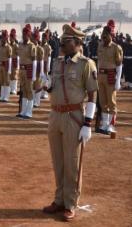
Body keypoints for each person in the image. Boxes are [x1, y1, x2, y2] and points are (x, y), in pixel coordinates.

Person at [43, 24, 97, 222]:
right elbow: (55, 86)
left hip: (73, 117)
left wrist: (88, 124)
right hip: (55, 115)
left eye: (66, 42)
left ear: (77, 43)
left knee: (72, 163)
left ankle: (70, 203)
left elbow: (92, 95)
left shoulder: (86, 64)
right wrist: (47, 87)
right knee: (58, 161)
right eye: (63, 41)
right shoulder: (58, 63)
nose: (62, 45)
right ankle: (59, 199)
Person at [96, 20, 123, 135]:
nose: (103, 38)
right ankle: (105, 124)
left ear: (110, 35)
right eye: (102, 35)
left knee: (111, 102)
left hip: (111, 76)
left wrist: (118, 81)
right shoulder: (100, 46)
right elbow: (98, 62)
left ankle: (111, 125)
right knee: (102, 102)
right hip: (100, 76)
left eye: (105, 36)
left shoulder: (116, 48)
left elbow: (119, 65)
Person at [16, 25, 37, 119]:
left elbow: (34, 61)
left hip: (29, 69)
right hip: (22, 70)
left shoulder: (32, 46)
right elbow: (18, 58)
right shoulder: (20, 45)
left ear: (29, 35)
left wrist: (33, 75)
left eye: (25, 35)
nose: (24, 36)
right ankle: (23, 111)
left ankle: (29, 111)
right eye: (23, 34)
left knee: (29, 91)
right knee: (23, 90)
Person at [0, 30, 12, 102]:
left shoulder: (8, 47)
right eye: (2, 37)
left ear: (6, 38)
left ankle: (6, 96)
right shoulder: (0, 45)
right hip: (0, 65)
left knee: (6, 81)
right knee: (2, 81)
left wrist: (9, 69)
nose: (3, 39)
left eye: (4, 37)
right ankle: (2, 96)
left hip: (6, 65)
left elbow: (9, 58)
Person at [32, 29, 44, 108]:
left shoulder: (40, 49)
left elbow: (42, 61)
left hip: (38, 69)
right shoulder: (31, 47)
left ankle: (37, 101)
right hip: (32, 68)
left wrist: (42, 71)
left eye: (34, 38)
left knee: (38, 86)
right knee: (32, 86)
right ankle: (32, 100)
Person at [9, 28, 19, 95]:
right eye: (10, 37)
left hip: (15, 61)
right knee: (10, 76)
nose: (10, 39)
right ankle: (10, 88)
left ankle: (14, 89)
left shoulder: (16, 45)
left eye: (12, 37)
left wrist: (17, 64)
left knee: (14, 76)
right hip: (10, 61)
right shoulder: (9, 45)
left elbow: (18, 56)